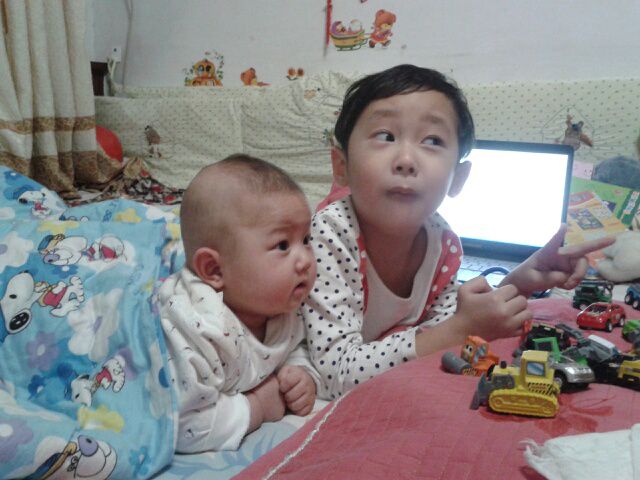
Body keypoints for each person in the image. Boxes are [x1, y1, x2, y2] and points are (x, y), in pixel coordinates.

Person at [302, 64, 614, 400]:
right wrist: (460, 329)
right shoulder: (330, 233)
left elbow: (449, 323)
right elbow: (335, 372)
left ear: (459, 178)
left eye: (432, 140)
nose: (406, 159)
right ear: (341, 166)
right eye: (385, 136)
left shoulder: (442, 240)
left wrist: (519, 282)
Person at [159, 154, 319, 452]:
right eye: (283, 245)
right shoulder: (199, 331)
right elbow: (182, 426)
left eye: (307, 240)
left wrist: (300, 374)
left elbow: (297, 342)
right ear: (215, 270)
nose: (305, 260)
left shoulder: (285, 301)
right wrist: (256, 406)